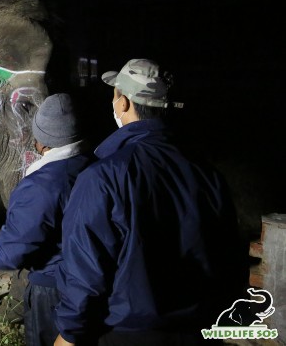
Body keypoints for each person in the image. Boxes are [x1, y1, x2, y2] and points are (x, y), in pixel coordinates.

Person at [54, 59, 248, 346]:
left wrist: (69, 334)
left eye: (115, 93)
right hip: (198, 331)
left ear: (123, 104)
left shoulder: (102, 177)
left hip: (125, 333)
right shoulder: (207, 174)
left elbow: (85, 269)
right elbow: (230, 259)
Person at [0, 93, 93, 346]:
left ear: (42, 141)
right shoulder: (91, 165)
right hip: (85, 282)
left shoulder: (40, 186)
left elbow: (14, 250)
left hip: (52, 289)